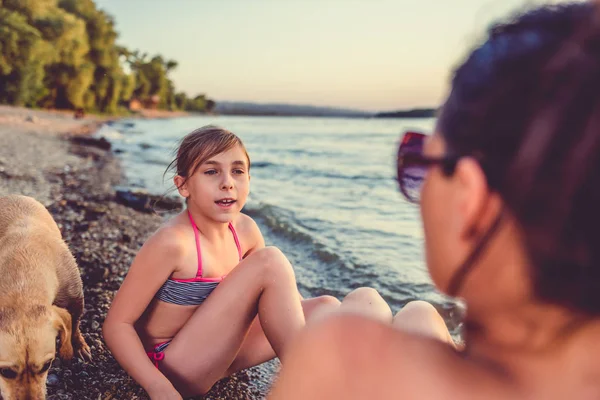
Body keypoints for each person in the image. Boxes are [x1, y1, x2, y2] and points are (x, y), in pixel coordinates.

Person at [269, 2, 600, 399]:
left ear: (469, 198)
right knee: (418, 313)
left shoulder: (343, 359)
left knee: (374, 309)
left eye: (419, 163)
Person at [103, 125, 346, 399]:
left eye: (238, 171)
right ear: (183, 185)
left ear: (249, 180)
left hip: (218, 357)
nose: (228, 182)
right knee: (271, 261)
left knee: (327, 308)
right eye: (211, 171)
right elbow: (116, 325)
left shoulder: (246, 230)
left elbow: (280, 303)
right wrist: (157, 386)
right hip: (172, 367)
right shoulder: (173, 243)